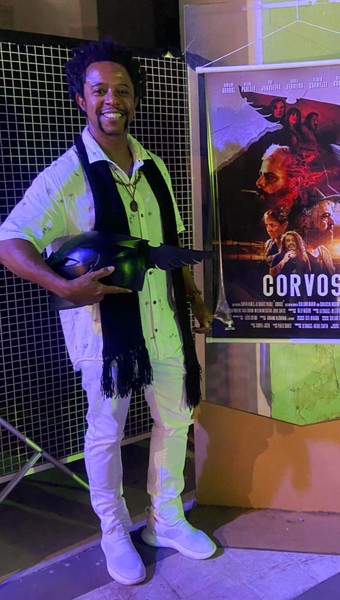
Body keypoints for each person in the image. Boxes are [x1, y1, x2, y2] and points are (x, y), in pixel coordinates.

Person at [0, 39, 216, 586]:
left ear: (134, 99)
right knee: (105, 433)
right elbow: (10, 240)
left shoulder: (153, 165)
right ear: (82, 99)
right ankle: (114, 530)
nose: (111, 99)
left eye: (121, 89)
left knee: (176, 419)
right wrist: (60, 286)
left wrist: (192, 296)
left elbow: (170, 242)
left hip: (163, 322)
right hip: (103, 335)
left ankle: (165, 519)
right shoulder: (66, 175)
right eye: (99, 90)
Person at [300, 198, 336, 275]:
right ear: (305, 221)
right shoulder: (294, 256)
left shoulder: (325, 253)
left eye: (331, 216)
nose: (332, 222)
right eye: (325, 216)